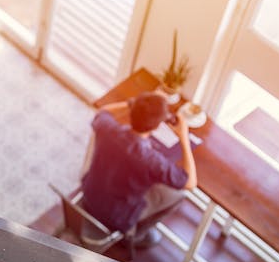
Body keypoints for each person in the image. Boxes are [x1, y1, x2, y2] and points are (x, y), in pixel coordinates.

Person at [80, 91, 197, 246]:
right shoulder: (151, 161)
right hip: (117, 217)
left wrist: (134, 103)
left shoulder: (107, 129)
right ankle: (135, 235)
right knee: (178, 195)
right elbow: (190, 183)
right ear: (155, 126)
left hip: (89, 195)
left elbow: (103, 112)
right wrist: (184, 138)